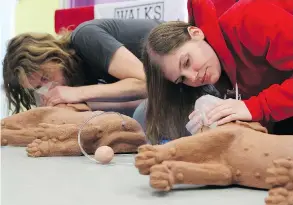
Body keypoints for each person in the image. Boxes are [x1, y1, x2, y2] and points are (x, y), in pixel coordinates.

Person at [139, 0, 293, 144]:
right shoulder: (218, 73)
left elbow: (262, 107)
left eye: (187, 62)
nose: (193, 77)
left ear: (195, 33)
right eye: (182, 79)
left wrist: (256, 107)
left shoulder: (249, 18)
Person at [3, 18, 162, 117]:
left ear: (54, 55)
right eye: (38, 86)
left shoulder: (85, 37)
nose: (49, 88)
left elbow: (147, 84)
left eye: (46, 77)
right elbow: (134, 102)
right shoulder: (74, 76)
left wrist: (77, 93)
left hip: (179, 62)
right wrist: (83, 106)